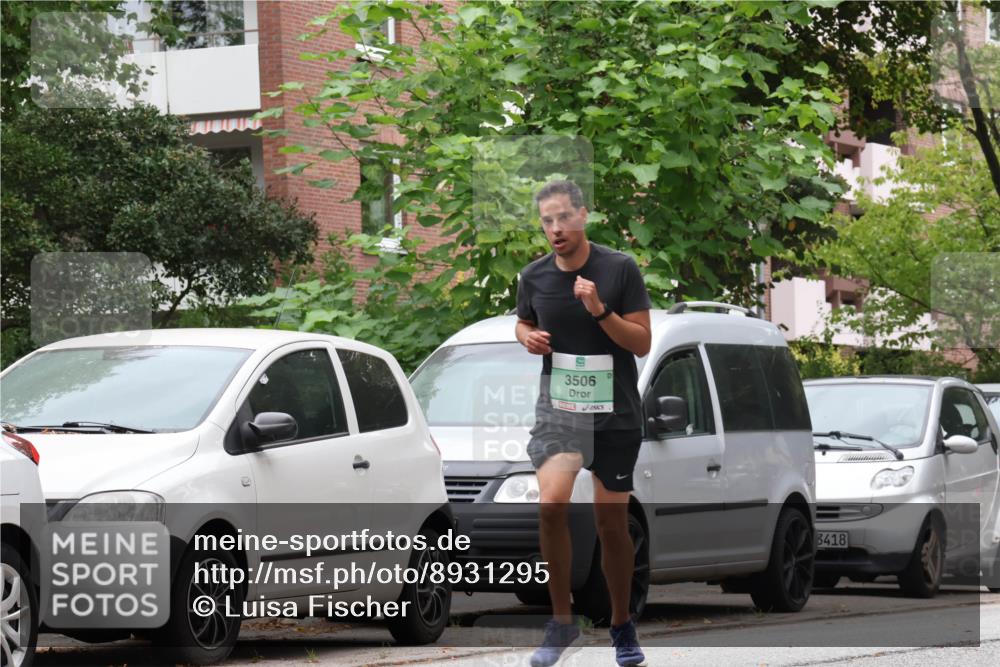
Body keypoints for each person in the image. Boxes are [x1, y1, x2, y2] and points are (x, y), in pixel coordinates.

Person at [515, 180, 651, 667]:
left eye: (563, 218)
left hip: (614, 415)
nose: (555, 229)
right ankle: (561, 624)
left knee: (611, 523)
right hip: (559, 413)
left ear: (583, 215)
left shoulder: (619, 269)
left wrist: (599, 310)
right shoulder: (532, 277)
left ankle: (621, 624)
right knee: (551, 505)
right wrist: (525, 337)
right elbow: (524, 321)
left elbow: (640, 343)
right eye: (546, 221)